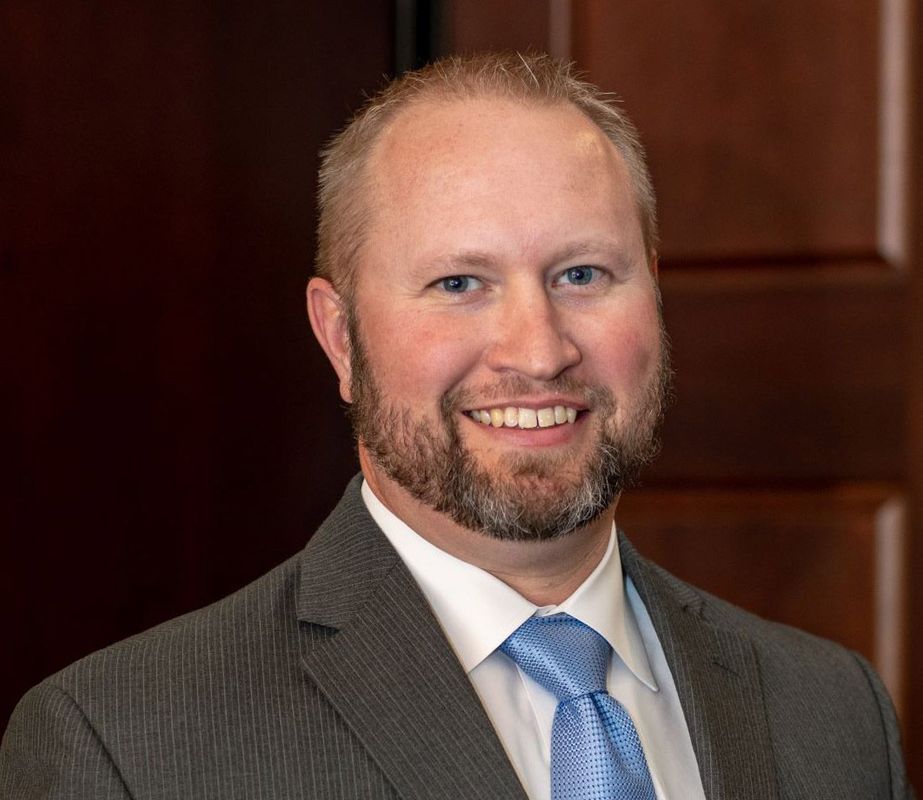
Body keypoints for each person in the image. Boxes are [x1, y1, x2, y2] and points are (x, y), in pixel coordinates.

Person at [0, 52, 912, 800]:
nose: (539, 349)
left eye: (584, 274)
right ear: (339, 336)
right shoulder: (125, 746)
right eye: (458, 283)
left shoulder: (829, 713)